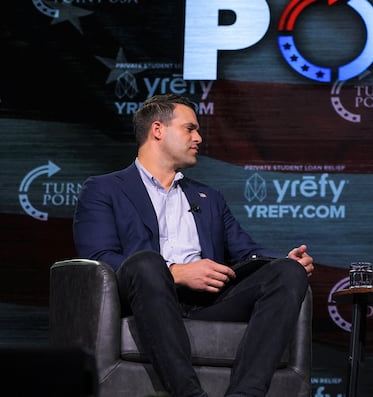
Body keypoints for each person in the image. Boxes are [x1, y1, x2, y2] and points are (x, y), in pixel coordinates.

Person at [73, 93, 314, 397]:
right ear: (157, 130)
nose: (198, 138)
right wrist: (175, 272)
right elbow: (98, 258)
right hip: (145, 299)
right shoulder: (104, 189)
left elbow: (245, 251)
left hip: (209, 303)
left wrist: (288, 260)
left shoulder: (208, 197)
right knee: (147, 263)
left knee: (288, 273)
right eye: (190, 129)